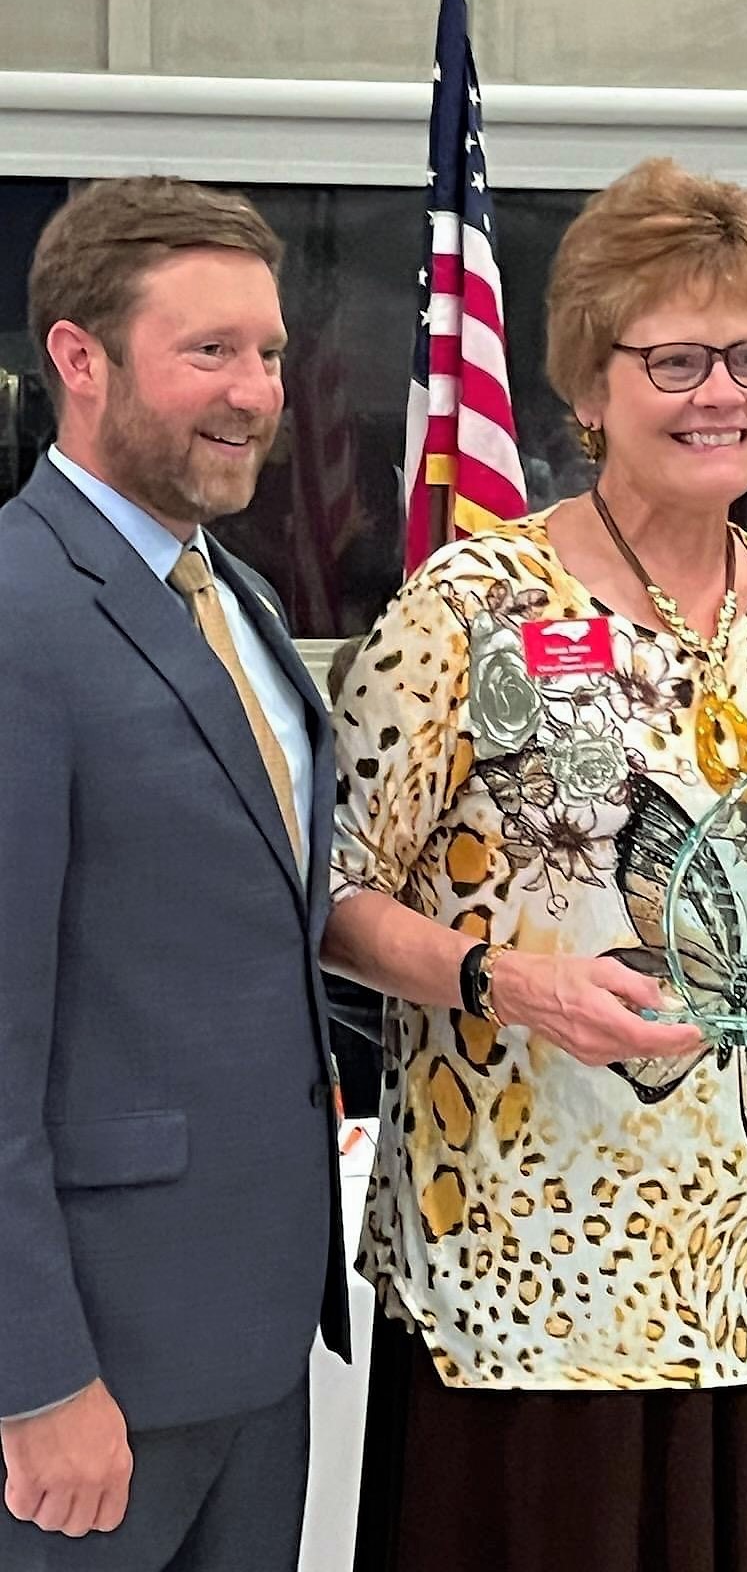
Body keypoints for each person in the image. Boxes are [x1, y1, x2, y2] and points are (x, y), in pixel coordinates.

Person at [323, 158, 747, 1572]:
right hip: (529, 1287)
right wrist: (497, 978)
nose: (721, 394)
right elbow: (326, 898)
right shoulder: (471, 607)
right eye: (675, 357)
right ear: (587, 382)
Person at [0, 176, 349, 1572]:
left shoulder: (234, 592)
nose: (256, 393)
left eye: (268, 353)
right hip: (88, 1374)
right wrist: (32, 1375)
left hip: (254, 1344)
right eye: (209, 352)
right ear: (79, 359)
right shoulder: (17, 615)